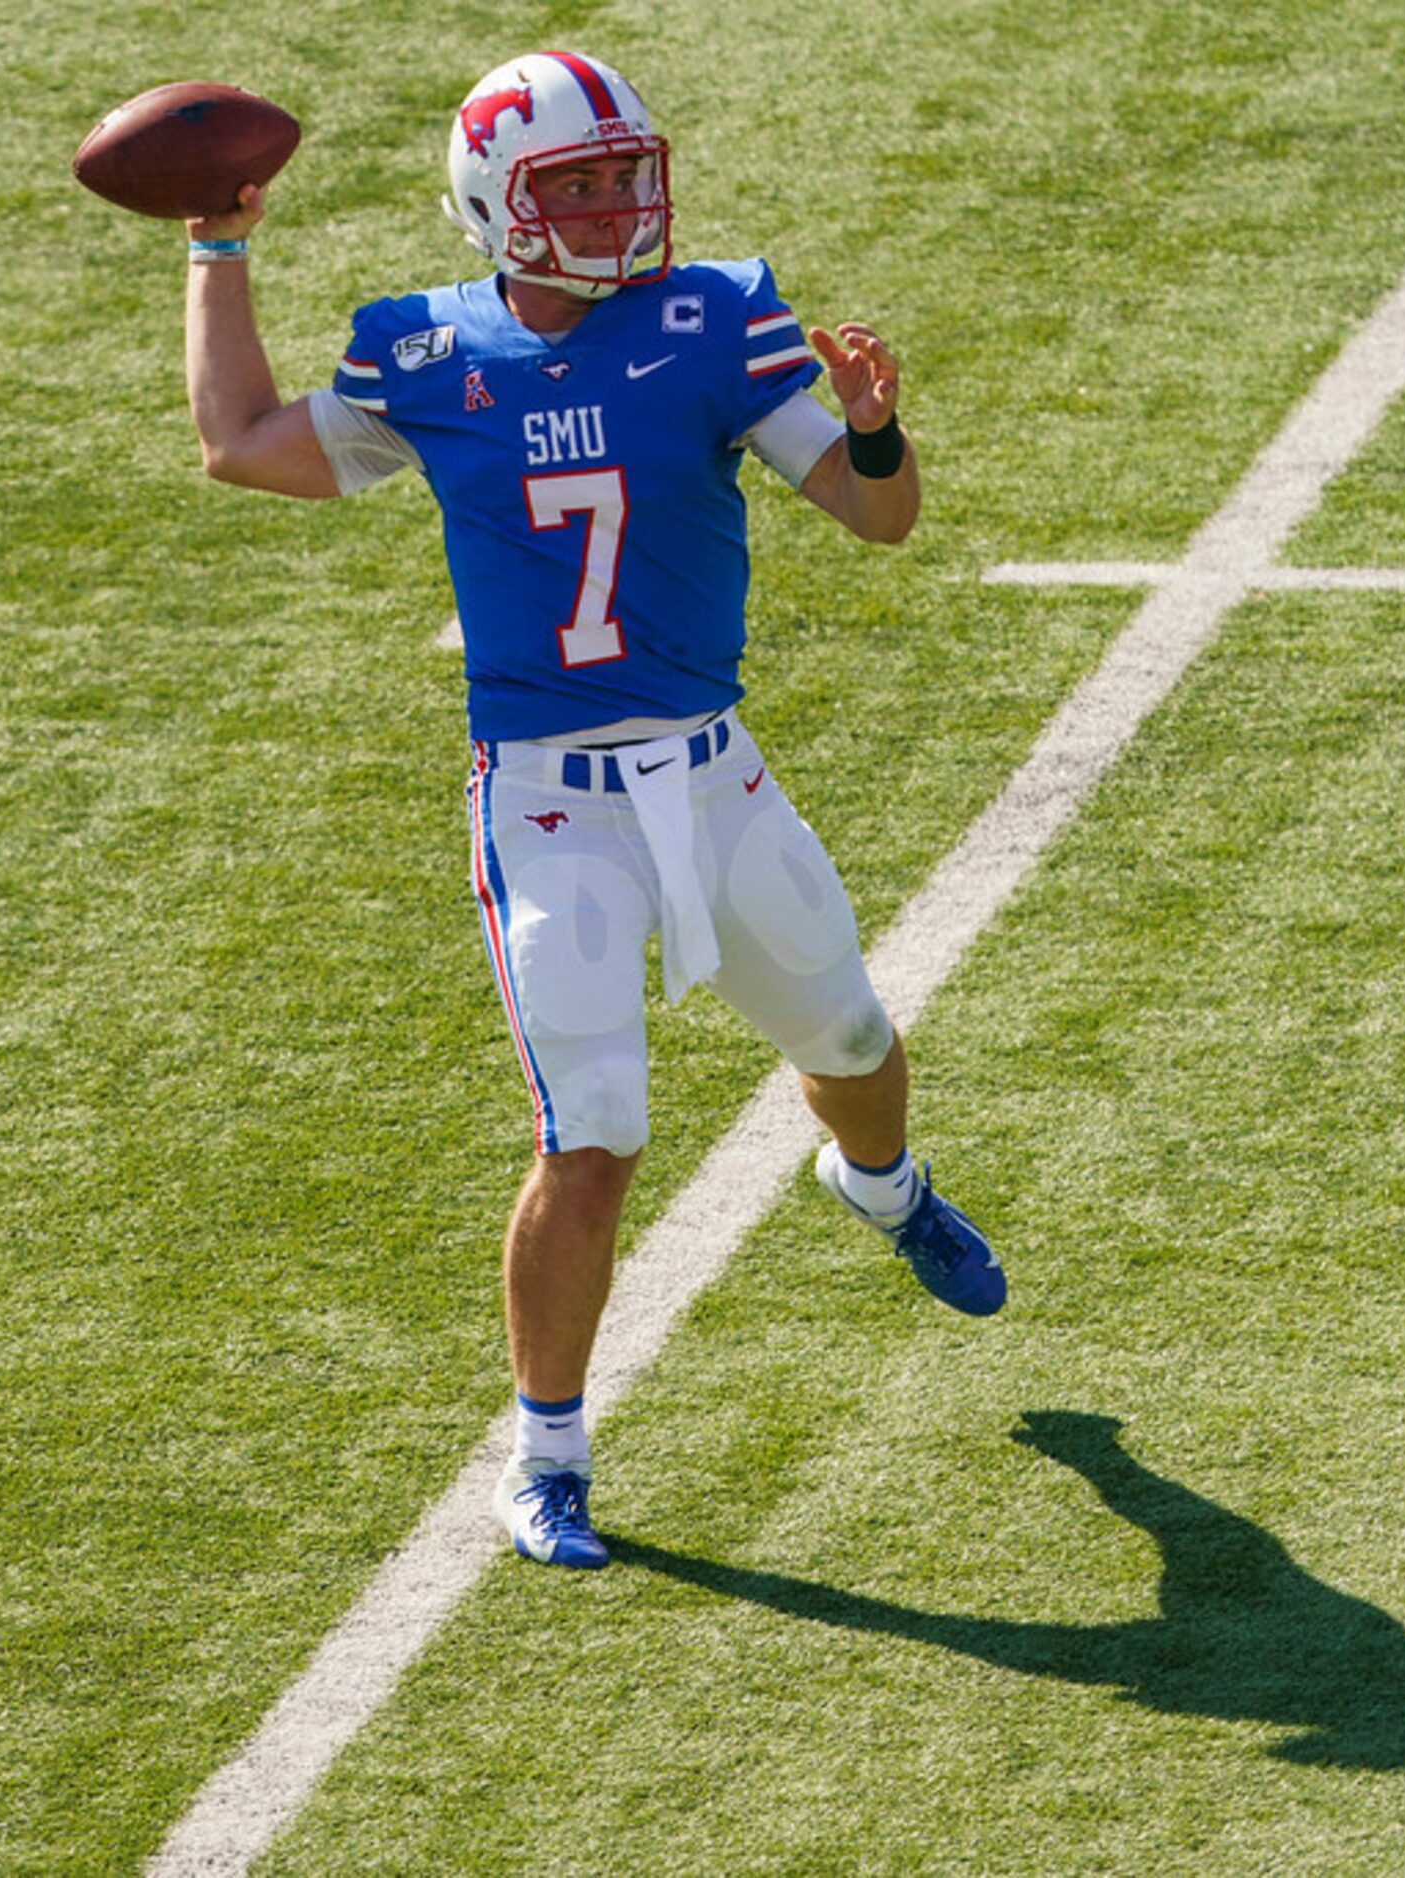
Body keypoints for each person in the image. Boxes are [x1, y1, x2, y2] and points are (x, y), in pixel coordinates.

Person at [174, 49, 1005, 1570]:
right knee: (595, 1133)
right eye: (584, 183)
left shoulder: (712, 322)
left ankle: (882, 1187)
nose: (624, 205)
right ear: (498, 201)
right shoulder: (427, 355)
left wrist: (878, 427)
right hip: (551, 807)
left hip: (711, 766)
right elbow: (241, 445)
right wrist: (219, 251)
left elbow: (878, 520)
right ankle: (545, 1455)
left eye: (632, 173)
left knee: (857, 1045)